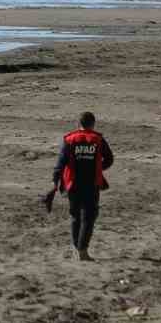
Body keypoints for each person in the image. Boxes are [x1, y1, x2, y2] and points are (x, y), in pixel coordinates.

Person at [53, 110, 114, 262]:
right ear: (92, 125)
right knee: (89, 217)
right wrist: (99, 168)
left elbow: (60, 163)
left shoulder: (69, 139)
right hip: (91, 184)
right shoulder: (98, 139)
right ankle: (82, 250)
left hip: (73, 184)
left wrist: (56, 181)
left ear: (78, 124)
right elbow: (109, 159)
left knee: (75, 217)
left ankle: (77, 247)